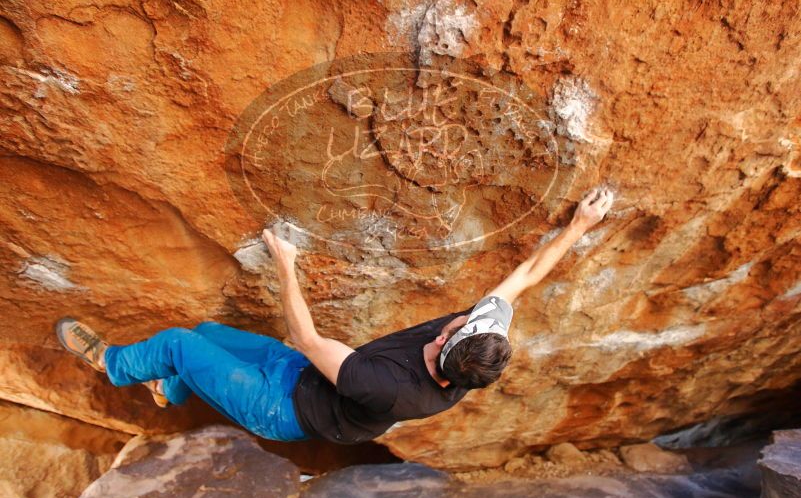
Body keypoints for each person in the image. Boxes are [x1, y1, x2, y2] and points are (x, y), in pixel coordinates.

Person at [55, 187, 614, 443]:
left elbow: (304, 334)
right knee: (205, 336)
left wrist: (286, 263)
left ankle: (110, 363)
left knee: (178, 343)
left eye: (466, 318)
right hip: (302, 375)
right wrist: (579, 227)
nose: (466, 313)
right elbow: (528, 276)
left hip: (281, 407)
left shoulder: (392, 389)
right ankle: (167, 392)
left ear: (449, 341)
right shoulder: (471, 355)